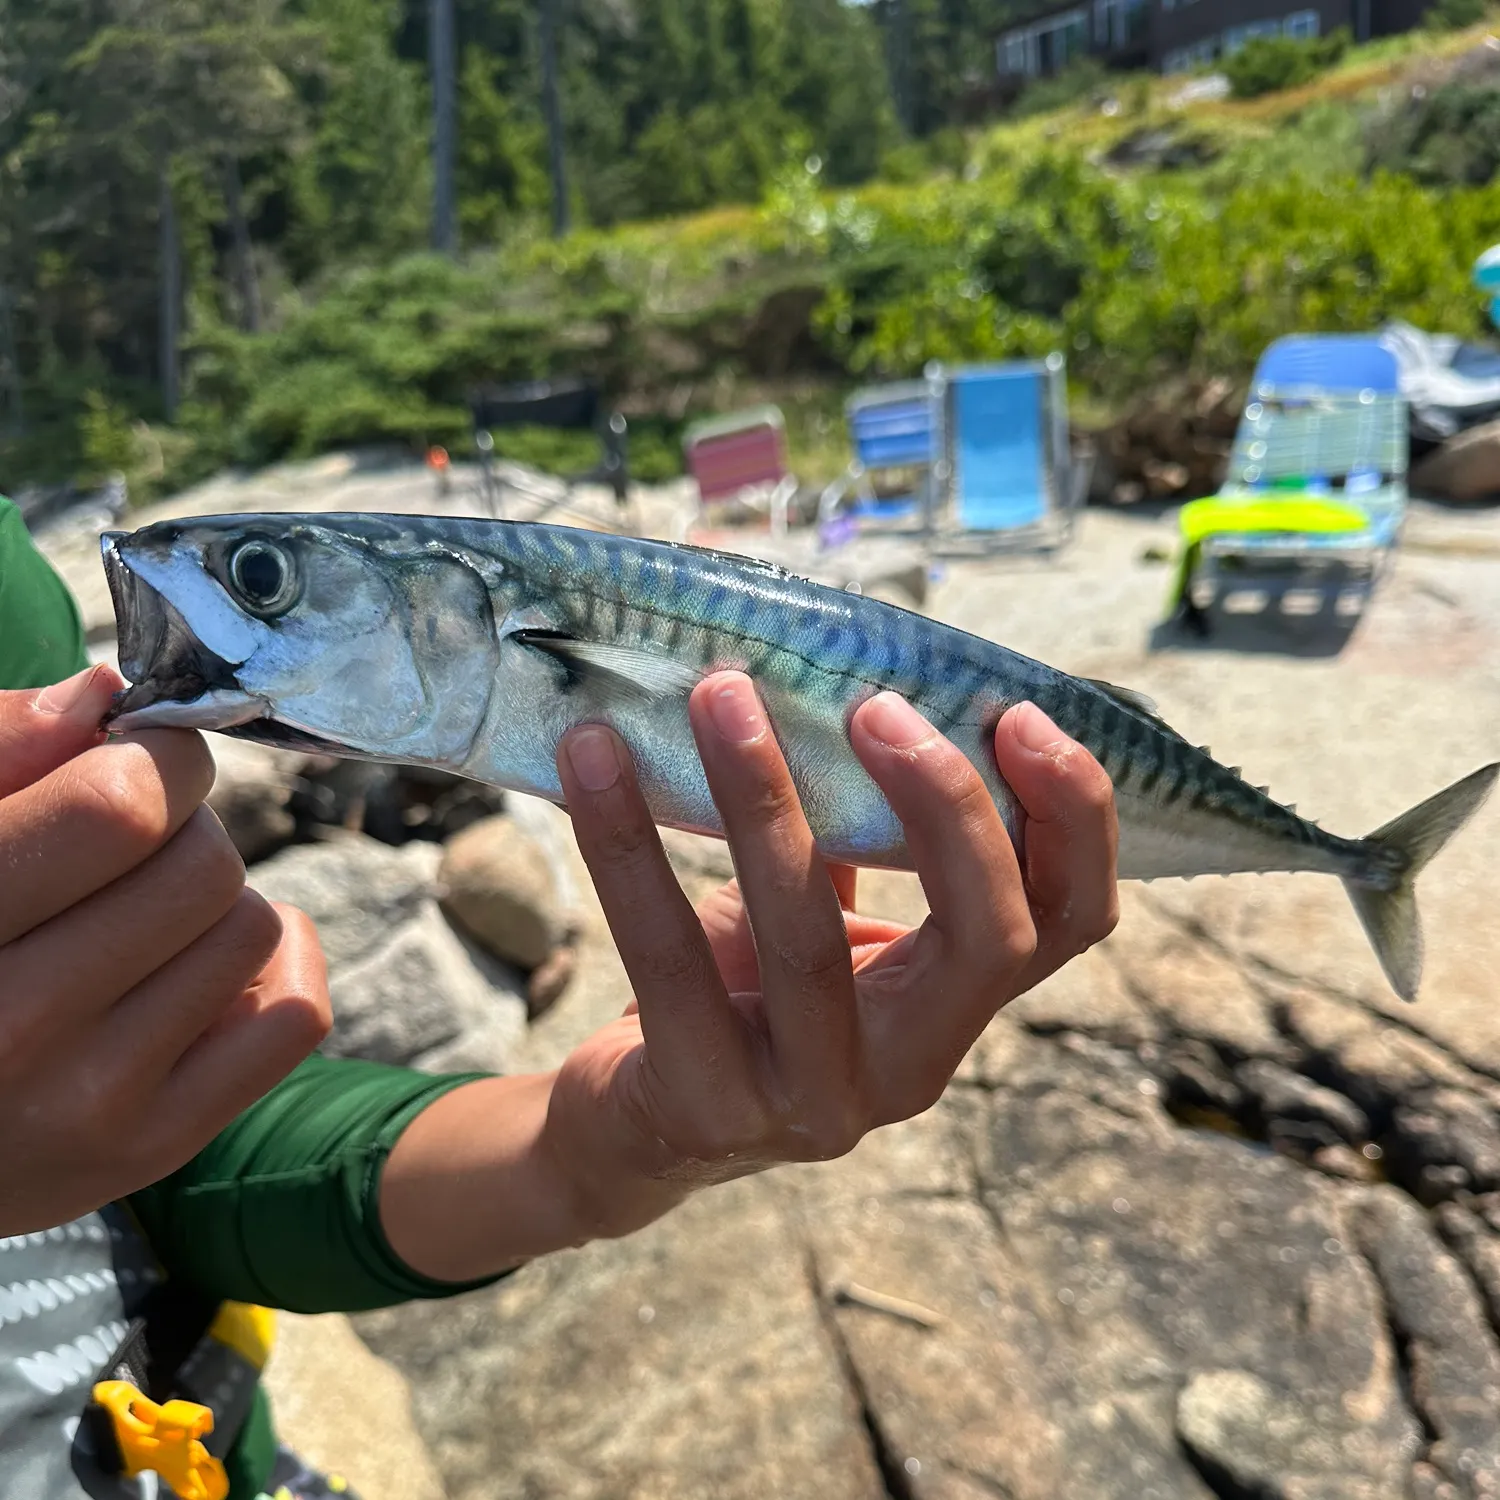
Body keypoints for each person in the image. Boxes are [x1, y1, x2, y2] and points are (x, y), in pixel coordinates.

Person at [0, 493, 1120, 1500]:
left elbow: (175, 1168)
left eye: (262, 581)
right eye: (262, 581)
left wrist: (593, 1152)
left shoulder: (11, 587)